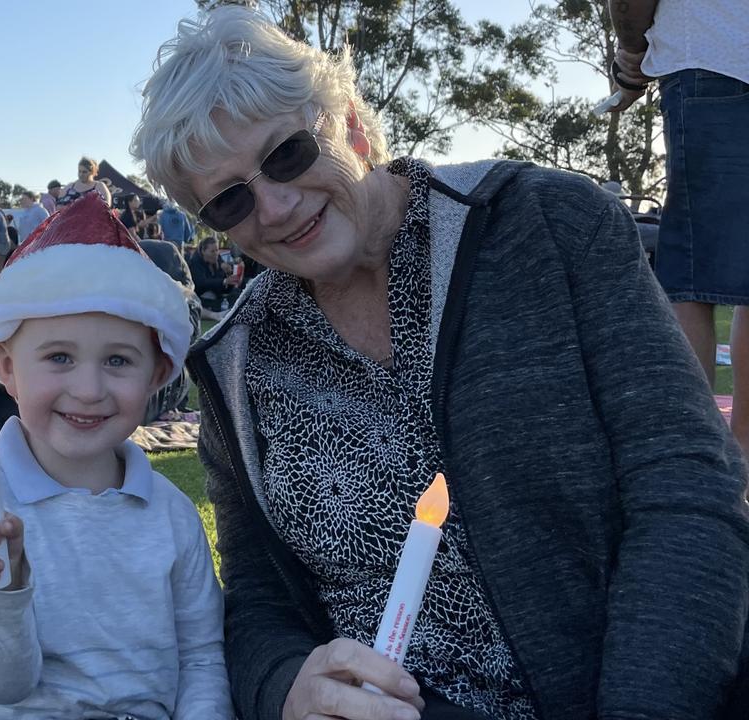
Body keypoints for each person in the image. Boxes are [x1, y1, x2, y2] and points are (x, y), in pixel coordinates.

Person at [130, 7, 749, 720]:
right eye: (231, 200)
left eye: (288, 155)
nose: (273, 206)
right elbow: (259, 600)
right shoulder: (237, 362)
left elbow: (686, 489)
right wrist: (283, 685)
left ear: (352, 124)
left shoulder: (545, 225)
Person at [0, 194, 231, 718]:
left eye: (118, 359)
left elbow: (202, 659)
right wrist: (4, 590)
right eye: (59, 357)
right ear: (4, 365)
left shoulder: (172, 514)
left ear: (158, 376)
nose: (89, 389)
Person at [607, 0, 749, 454]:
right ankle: (740, 461)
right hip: (719, 57)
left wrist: (632, 55)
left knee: (690, 273)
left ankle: (700, 465)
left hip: (713, 57)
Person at [188, 237, 241, 318]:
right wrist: (224, 281)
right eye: (212, 251)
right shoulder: (195, 262)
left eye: (217, 250)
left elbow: (224, 289)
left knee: (237, 294)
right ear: (203, 251)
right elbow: (201, 284)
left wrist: (229, 275)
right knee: (209, 295)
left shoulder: (218, 260)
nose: (216, 253)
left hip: (217, 296)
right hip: (200, 297)